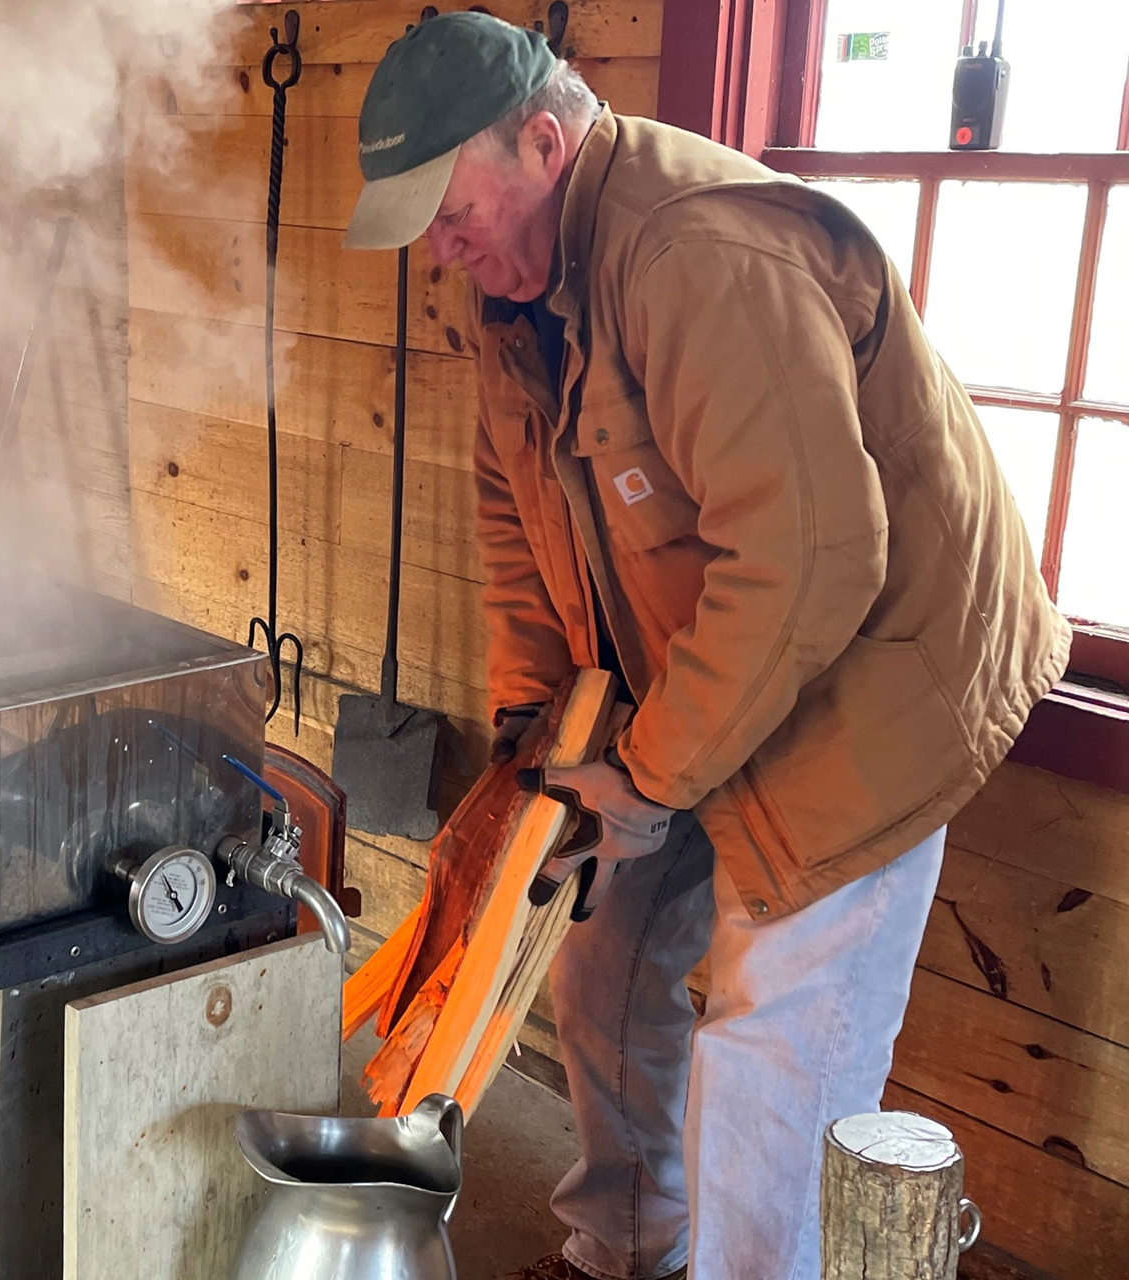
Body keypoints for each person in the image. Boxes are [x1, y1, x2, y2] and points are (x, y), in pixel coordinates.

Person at [342, 14, 1068, 1280]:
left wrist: (654, 773)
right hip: (704, 659)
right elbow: (518, 539)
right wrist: (537, 749)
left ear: (544, 141)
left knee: (769, 1049)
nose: (440, 247)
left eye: (451, 210)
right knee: (602, 961)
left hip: (875, 674)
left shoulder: (699, 256)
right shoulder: (517, 298)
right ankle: (627, 1248)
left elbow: (814, 561)